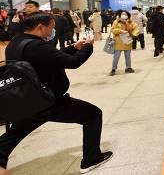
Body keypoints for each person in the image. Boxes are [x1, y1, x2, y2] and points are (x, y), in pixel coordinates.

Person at [1, 12, 113, 173]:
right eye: (51, 28)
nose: (53, 32)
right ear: (40, 27)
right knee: (92, 115)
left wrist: (73, 48)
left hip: (27, 101)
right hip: (48, 102)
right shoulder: (37, 47)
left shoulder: (17, 43)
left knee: (14, 135)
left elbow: (51, 59)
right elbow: (73, 63)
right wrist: (88, 47)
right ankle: (91, 159)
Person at [110, 10, 139, 76]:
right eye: (122, 14)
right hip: (118, 41)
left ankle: (128, 67)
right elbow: (112, 30)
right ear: (119, 15)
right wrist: (120, 31)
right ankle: (113, 69)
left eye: (125, 14)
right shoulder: (116, 22)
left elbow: (136, 28)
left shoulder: (131, 22)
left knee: (128, 56)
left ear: (128, 15)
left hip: (127, 41)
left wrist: (134, 34)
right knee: (116, 56)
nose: (124, 15)